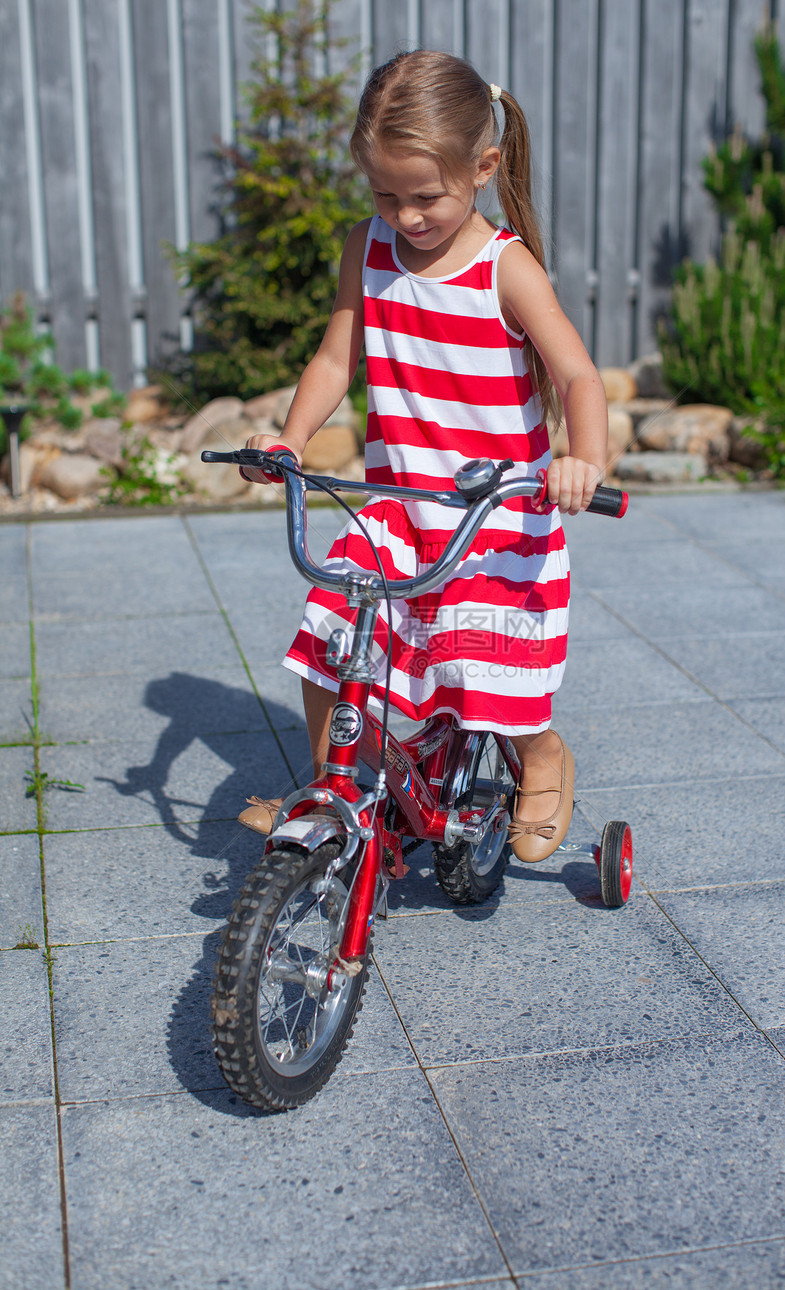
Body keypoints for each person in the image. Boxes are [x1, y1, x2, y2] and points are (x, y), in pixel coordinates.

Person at [238, 49, 608, 864]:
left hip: (496, 514)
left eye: (425, 196)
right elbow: (337, 361)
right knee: (328, 636)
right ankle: (339, 788)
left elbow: (578, 374)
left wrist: (585, 458)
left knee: (482, 672)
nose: (404, 217)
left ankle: (540, 752)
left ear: (482, 167)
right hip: (398, 506)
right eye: (384, 194)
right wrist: (289, 440)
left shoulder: (503, 268)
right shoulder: (365, 251)